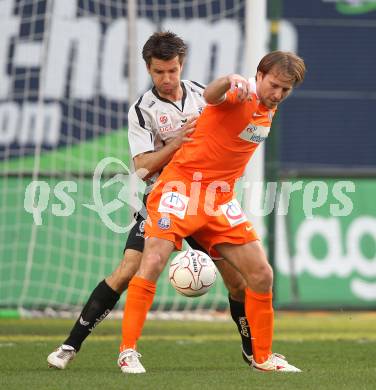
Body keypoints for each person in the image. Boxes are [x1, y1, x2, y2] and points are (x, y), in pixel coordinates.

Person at [47, 31, 253, 370]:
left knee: (237, 279)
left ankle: (252, 350)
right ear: (148, 69)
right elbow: (141, 167)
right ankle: (70, 345)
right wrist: (176, 143)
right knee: (129, 269)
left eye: (172, 70)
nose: (167, 79)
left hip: (204, 198)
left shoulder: (204, 95)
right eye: (159, 72)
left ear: (181, 65)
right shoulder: (143, 111)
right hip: (163, 199)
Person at [117, 50, 306, 374]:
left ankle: (262, 357)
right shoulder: (240, 93)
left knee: (261, 275)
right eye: (273, 85)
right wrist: (229, 80)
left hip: (218, 200)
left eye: (285, 90)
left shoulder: (267, 108)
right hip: (180, 188)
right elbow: (210, 95)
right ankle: (128, 352)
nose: (277, 94)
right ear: (258, 76)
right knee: (152, 262)